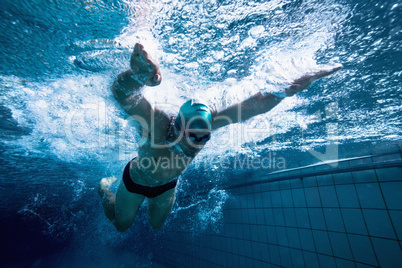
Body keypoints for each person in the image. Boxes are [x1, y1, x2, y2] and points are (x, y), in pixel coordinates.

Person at [98, 43, 342, 232]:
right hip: (136, 182)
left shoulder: (207, 124)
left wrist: (288, 89)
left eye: (203, 138)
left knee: (156, 225)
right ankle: (106, 188)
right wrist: (137, 77)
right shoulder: (158, 126)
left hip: (166, 186)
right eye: (193, 136)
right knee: (122, 226)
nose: (196, 144)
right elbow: (124, 95)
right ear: (180, 127)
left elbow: (254, 105)